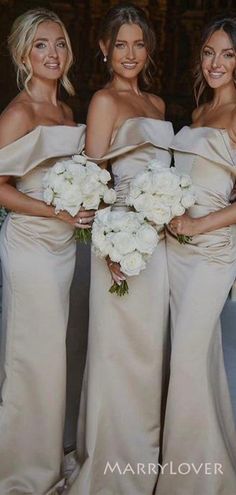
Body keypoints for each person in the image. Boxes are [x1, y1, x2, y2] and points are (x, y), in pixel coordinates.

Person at [66, 3, 174, 495]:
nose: (130, 53)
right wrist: (107, 244)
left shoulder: (157, 105)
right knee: (115, 354)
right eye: (121, 44)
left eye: (139, 43)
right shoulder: (103, 102)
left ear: (147, 50)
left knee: (150, 356)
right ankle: (111, 465)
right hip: (119, 241)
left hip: (160, 245)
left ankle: (145, 461)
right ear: (104, 48)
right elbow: (92, 180)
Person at [0, 8, 93, 495]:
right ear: (23, 54)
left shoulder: (66, 112)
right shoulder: (18, 112)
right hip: (31, 247)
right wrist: (54, 212)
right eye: (41, 45)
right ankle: (22, 472)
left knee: (60, 353)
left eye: (59, 44)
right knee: (32, 356)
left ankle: (49, 453)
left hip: (64, 249)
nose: (52, 54)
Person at [156, 16, 236, 495]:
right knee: (194, 360)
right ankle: (210, 467)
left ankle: (188, 484)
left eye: (227, 54)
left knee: (186, 358)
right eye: (209, 52)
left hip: (212, 253)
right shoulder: (202, 109)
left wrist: (199, 224)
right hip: (177, 253)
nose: (215, 62)